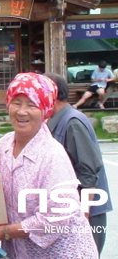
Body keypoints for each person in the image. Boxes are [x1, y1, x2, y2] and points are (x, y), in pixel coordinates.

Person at [0, 72, 98, 259]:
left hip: (62, 253)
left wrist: (4, 232)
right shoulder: (3, 145)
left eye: (32, 105)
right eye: (16, 103)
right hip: (21, 251)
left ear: (46, 110)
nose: (22, 111)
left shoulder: (52, 154)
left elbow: (56, 216)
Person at [45, 72, 112, 256]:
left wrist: (83, 215)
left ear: (52, 95)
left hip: (86, 213)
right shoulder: (57, 121)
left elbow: (88, 172)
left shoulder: (72, 122)